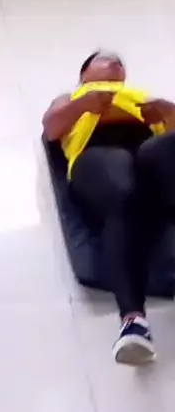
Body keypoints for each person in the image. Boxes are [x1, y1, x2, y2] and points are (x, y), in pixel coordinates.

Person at [43, 50, 175, 366]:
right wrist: (83, 105)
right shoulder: (74, 97)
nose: (115, 62)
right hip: (99, 153)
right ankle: (133, 322)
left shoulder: (139, 95)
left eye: (118, 62)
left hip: (149, 151)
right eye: (104, 60)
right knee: (124, 194)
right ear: (84, 75)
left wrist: (169, 113)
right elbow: (51, 129)